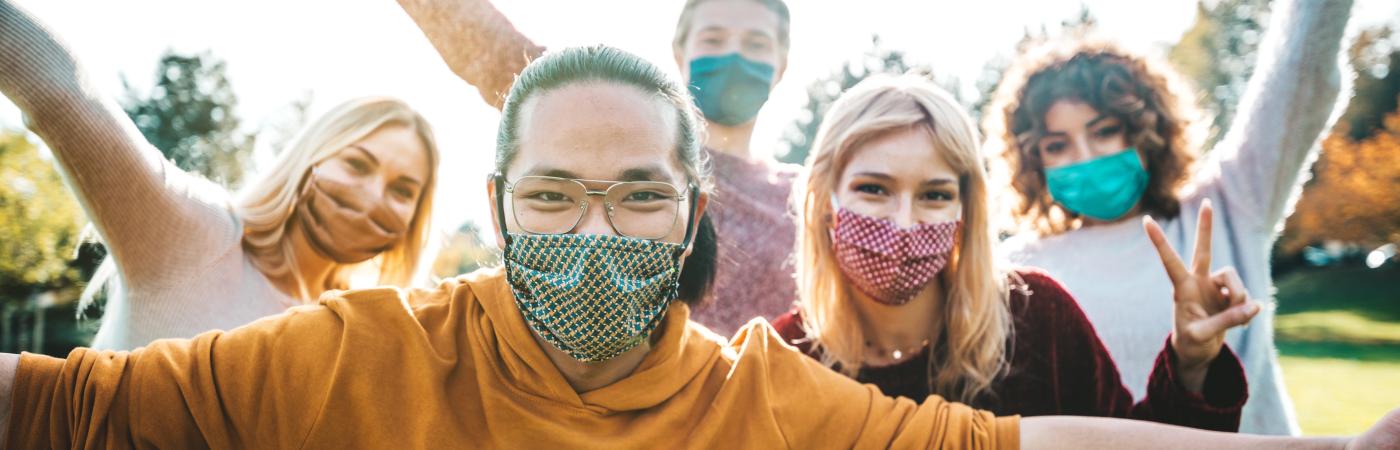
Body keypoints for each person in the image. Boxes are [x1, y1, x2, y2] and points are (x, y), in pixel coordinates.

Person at [3, 38, 1398, 450]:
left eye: (936, 195)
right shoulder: (362, 353)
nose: (903, 223)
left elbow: (1078, 446)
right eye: (550, 199)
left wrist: (1283, 424)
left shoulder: (1014, 330)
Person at [773, 74, 1254, 430]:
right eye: (874, 189)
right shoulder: (782, 359)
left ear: (967, 210)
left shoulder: (1035, 316)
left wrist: (1191, 364)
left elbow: (1130, 442)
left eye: (935, 195)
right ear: (826, 202)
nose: (904, 222)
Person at [981, 0, 1353, 435]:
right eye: (1057, 145)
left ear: (1146, 132)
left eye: (1104, 132)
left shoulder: (1229, 205)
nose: (1084, 157)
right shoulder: (1018, 271)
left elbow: (1301, 72)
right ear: (1032, 160)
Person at [0, 2, 440, 350]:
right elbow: (60, 90)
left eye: (403, 190)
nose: (372, 195)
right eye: (357, 164)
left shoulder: (356, 331)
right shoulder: (195, 235)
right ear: (309, 159)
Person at [396, 0, 799, 335]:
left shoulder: (805, 199)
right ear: (680, 52)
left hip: (740, 415)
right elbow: (486, 45)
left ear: (782, 64)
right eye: (714, 38)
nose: (735, 55)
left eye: (756, 42)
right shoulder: (598, 120)